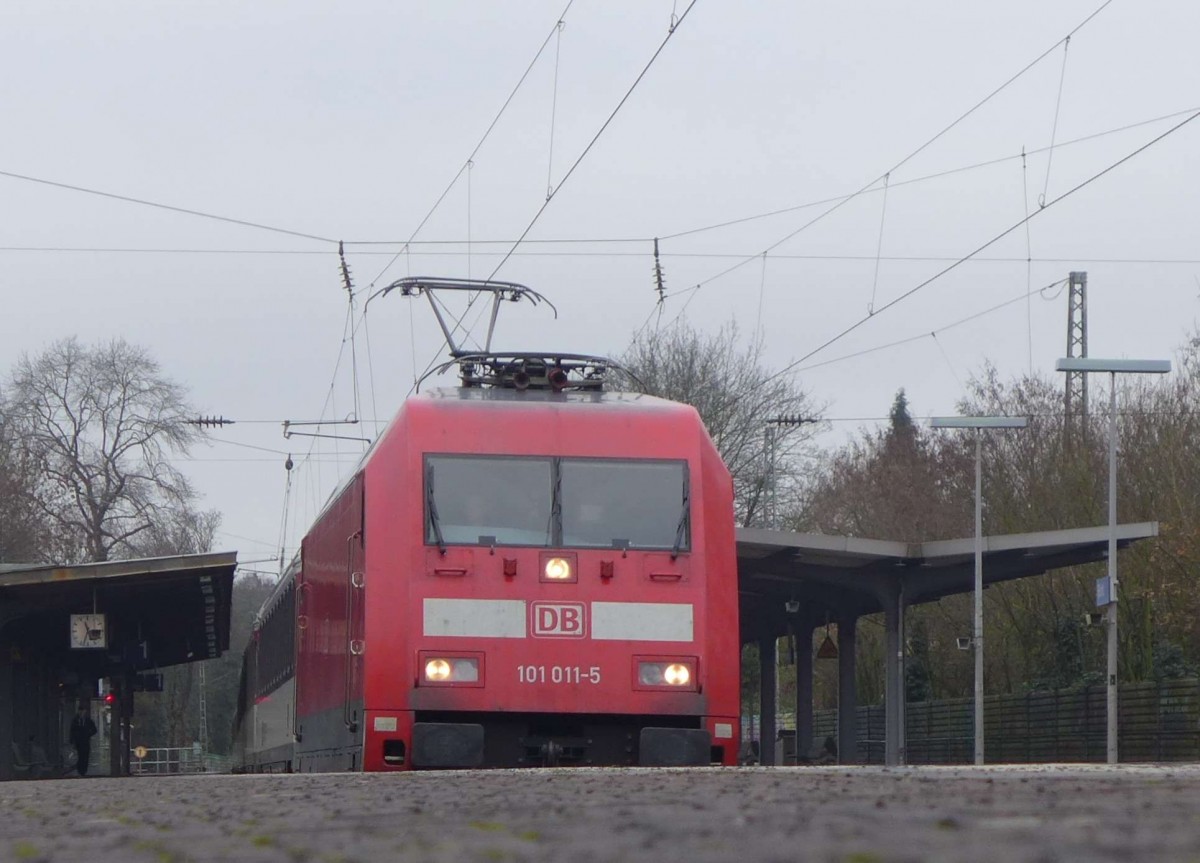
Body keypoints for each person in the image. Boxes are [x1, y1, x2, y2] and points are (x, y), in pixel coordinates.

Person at [69, 704, 97, 776]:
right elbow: (72, 731)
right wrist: (72, 741)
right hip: (78, 742)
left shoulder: (88, 720)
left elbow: (94, 729)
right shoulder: (75, 720)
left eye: (83, 711)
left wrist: (88, 734)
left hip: (85, 741)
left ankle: (84, 770)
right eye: (80, 711)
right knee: (80, 755)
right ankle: (80, 770)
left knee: (85, 756)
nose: (82, 712)